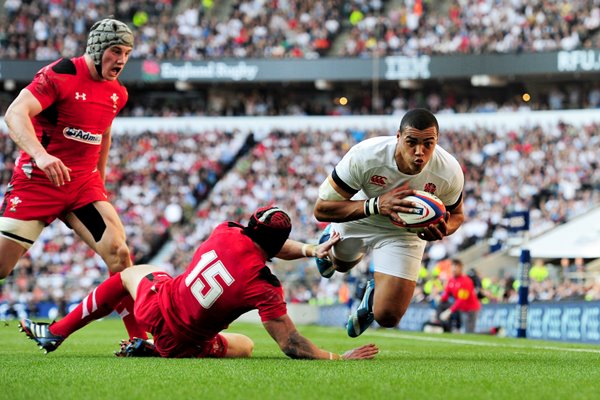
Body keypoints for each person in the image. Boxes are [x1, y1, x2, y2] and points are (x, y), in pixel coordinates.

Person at [20, 206, 379, 360]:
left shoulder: (225, 230)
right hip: (185, 345)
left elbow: (266, 243)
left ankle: (60, 331)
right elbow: (292, 344)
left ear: (250, 226)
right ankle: (146, 345)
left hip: (156, 305)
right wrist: (336, 357)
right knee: (248, 346)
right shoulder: (263, 284)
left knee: (129, 273)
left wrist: (308, 249)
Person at [0, 18, 146, 339]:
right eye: (115, 51)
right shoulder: (60, 74)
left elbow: (103, 133)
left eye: (127, 53)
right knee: (1, 267)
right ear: (97, 49)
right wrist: (41, 155)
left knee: (120, 254)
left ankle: (139, 339)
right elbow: (14, 113)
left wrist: (100, 184)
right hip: (38, 182)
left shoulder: (117, 93)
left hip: (81, 187)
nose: (121, 60)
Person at [313, 108, 465, 337]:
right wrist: (375, 205)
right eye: (411, 142)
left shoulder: (449, 170)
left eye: (428, 144)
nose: (419, 152)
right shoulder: (365, 156)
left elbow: (457, 216)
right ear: (398, 137)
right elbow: (321, 209)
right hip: (361, 215)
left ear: (437, 141)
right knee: (342, 266)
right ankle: (330, 237)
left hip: (404, 232)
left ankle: (371, 296)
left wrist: (443, 230)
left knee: (388, 317)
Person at [439, 259, 481, 333]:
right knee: (464, 329)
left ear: (461, 268)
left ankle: (493, 331)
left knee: (469, 331)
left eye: (456, 267)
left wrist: (449, 311)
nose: (454, 269)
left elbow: (462, 299)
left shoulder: (466, 281)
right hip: (462, 309)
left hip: (471, 309)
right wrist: (440, 298)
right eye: (453, 266)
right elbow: (446, 293)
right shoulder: (451, 280)